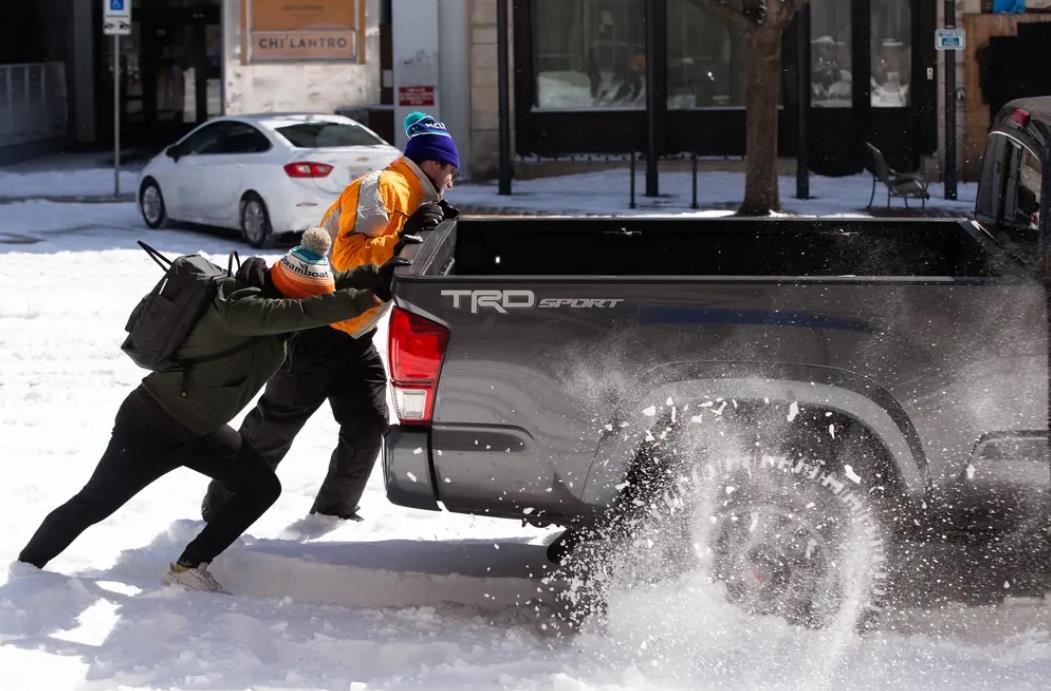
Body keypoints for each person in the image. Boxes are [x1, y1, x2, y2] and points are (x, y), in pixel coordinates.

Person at [18, 229, 401, 591]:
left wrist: (383, 271)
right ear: (291, 293)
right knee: (94, 503)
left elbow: (326, 288)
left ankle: (189, 566)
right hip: (153, 424)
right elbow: (306, 312)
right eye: (305, 298)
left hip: (200, 429)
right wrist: (368, 298)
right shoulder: (240, 309)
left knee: (261, 487)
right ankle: (25, 570)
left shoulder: (276, 295)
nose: (305, 305)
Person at [200, 111, 460, 522]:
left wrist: (436, 240)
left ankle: (333, 514)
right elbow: (345, 259)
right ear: (435, 164)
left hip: (355, 332)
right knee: (276, 426)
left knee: (368, 424)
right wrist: (406, 235)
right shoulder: (382, 189)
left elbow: (401, 264)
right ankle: (219, 509)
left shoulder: (417, 201)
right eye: (452, 172)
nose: (452, 182)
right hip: (318, 326)